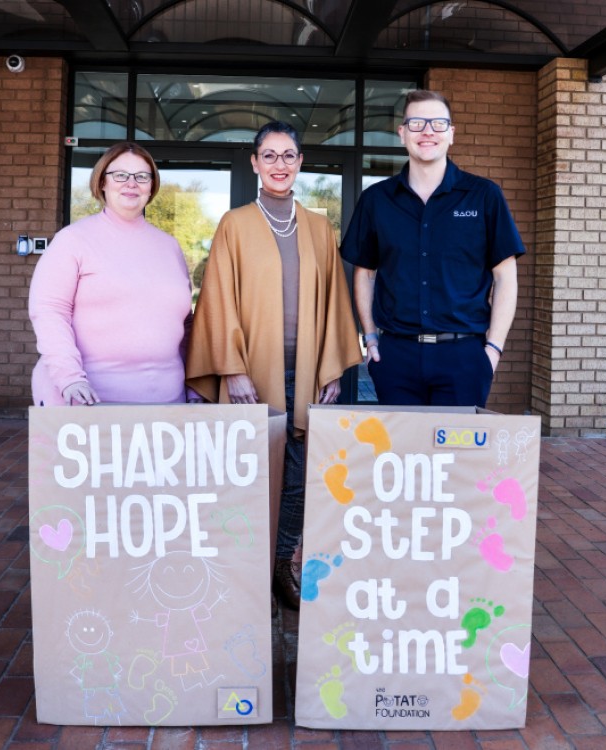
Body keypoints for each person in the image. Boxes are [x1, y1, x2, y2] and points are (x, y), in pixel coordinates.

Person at [185, 121, 362, 610]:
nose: (279, 164)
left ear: (300, 162)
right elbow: (217, 300)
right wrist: (232, 369)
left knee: (297, 479)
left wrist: (330, 370)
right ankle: (241, 570)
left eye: (288, 155)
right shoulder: (235, 224)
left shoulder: (319, 227)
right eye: (269, 155)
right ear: (255, 163)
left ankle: (283, 565)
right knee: (245, 474)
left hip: (304, 372)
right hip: (250, 372)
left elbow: (334, 301)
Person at [341, 90, 525, 407]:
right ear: (402, 133)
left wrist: (493, 349)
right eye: (417, 123)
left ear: (451, 133)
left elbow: (505, 277)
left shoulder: (484, 196)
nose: (427, 131)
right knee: (400, 441)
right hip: (396, 356)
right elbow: (365, 274)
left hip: (464, 357)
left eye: (438, 123)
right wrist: (370, 338)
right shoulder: (377, 200)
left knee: (457, 442)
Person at [29, 141, 198, 406]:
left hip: (167, 406)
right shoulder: (72, 240)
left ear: (151, 186)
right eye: (120, 175)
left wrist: (194, 387)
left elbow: (186, 325)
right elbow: (50, 312)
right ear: (102, 182)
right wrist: (69, 378)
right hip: (88, 404)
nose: (131, 183)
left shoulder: (170, 246)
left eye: (142, 176)